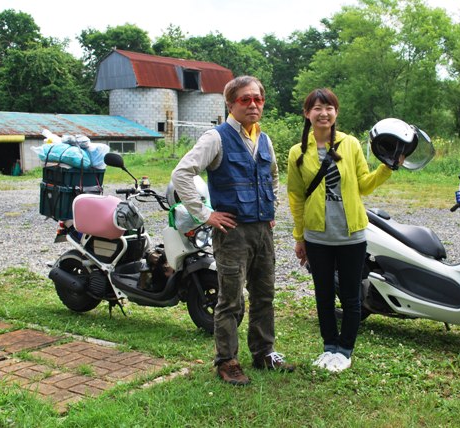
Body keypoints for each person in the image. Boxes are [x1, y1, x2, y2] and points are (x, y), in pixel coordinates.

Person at [171, 75, 294, 386]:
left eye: (258, 99)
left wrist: (272, 207)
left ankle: (264, 352)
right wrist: (206, 214)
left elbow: (273, 175)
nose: (253, 104)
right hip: (233, 233)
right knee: (231, 300)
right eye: (245, 99)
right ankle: (227, 361)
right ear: (230, 104)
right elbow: (182, 173)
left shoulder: (264, 139)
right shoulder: (216, 138)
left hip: (262, 231)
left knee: (264, 295)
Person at [286, 88, 404, 372]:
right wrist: (300, 237)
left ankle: (345, 351)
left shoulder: (349, 144)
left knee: (351, 296)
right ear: (307, 113)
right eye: (317, 108)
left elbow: (364, 184)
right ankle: (329, 347)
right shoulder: (297, 152)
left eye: (329, 108)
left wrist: (387, 168)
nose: (323, 113)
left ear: (336, 112)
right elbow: (296, 197)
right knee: (323, 295)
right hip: (317, 237)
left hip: (351, 235)